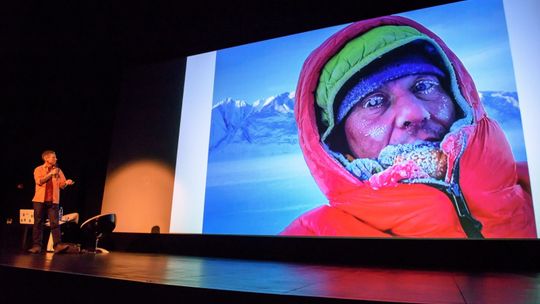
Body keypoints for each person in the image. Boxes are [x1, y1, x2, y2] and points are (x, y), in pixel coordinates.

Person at [281, 16, 537, 238]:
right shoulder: (312, 247)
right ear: (338, 143)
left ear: (459, 100)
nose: (414, 113)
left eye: (424, 86)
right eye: (374, 102)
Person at [28, 150, 75, 253]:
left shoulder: (58, 170)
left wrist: (67, 183)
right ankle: (37, 246)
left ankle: (57, 245)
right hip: (39, 200)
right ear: (46, 158)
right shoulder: (38, 169)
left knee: (55, 223)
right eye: (53, 157)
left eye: (55, 157)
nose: (56, 159)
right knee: (38, 222)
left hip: (53, 200)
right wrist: (50, 174)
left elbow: (61, 185)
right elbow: (39, 181)